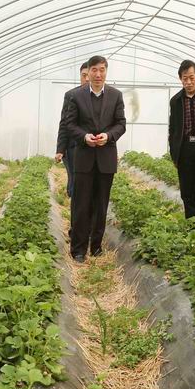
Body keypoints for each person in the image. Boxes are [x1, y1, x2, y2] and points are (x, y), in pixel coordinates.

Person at [65, 55, 126, 262]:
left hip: (106, 159)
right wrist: (84, 137)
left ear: (106, 71)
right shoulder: (77, 96)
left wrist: (108, 136)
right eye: (94, 70)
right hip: (84, 158)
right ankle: (78, 249)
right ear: (88, 72)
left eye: (102, 70)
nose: (98, 74)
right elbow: (69, 124)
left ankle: (97, 247)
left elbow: (121, 124)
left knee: (101, 205)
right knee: (81, 205)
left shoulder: (116, 95)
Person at [168, 59, 195, 231]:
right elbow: (173, 129)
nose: (188, 82)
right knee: (187, 194)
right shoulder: (176, 101)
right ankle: (192, 234)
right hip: (185, 149)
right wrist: (175, 154)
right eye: (185, 78)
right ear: (180, 79)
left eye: (191, 78)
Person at [55, 62, 90, 197]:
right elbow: (64, 123)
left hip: (92, 148)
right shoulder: (71, 95)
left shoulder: (102, 96)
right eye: (83, 75)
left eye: (88, 75)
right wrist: (60, 149)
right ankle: (74, 202)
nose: (86, 79)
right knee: (74, 181)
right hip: (73, 147)